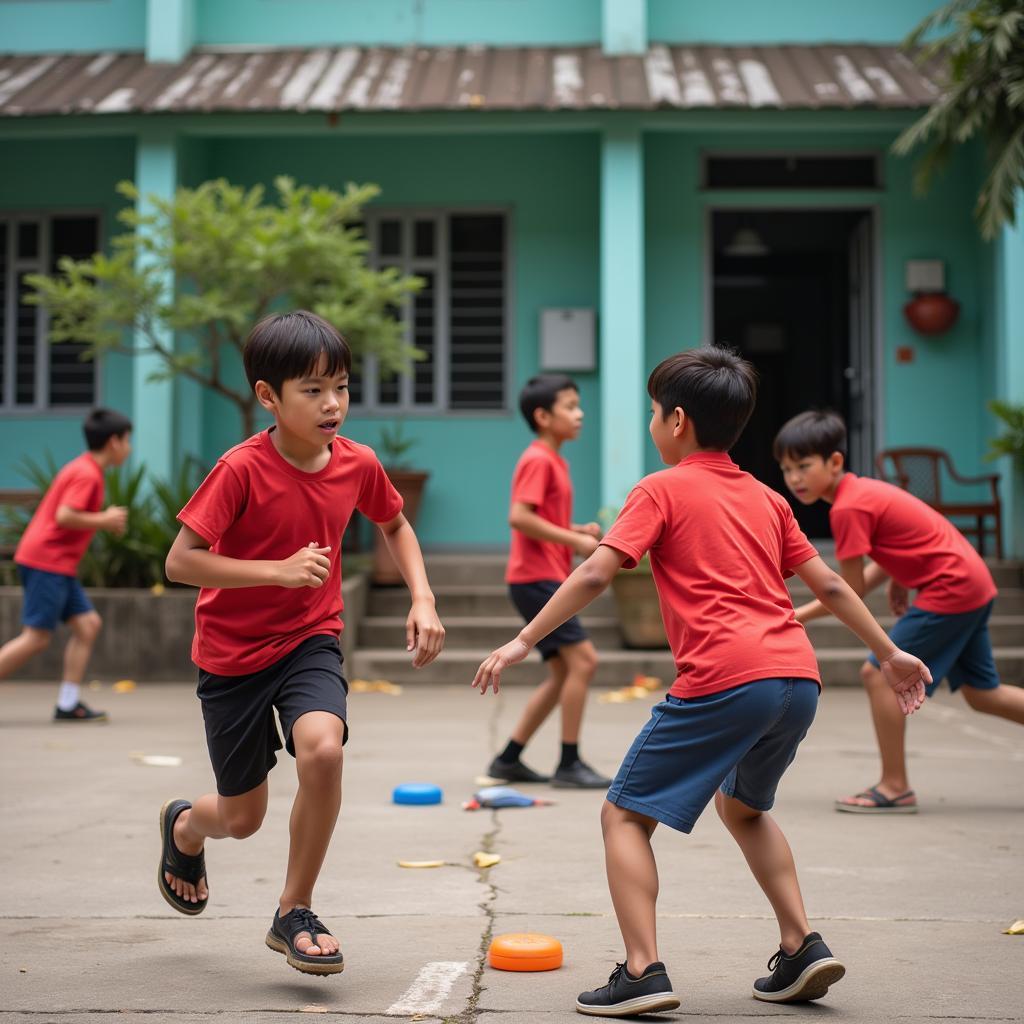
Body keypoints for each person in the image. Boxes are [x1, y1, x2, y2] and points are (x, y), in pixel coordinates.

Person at [472, 348, 931, 1015]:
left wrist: (522, 639)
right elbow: (829, 582)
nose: (652, 423)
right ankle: (801, 944)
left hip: (726, 677)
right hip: (796, 680)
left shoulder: (661, 489)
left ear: (677, 420)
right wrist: (890, 653)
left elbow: (599, 573)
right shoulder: (769, 498)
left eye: (654, 412)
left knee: (624, 814)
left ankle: (641, 970)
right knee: (744, 807)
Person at [157, 311, 444, 976]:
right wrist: (274, 572)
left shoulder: (357, 463)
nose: (332, 404)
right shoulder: (240, 470)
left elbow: (395, 524)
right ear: (269, 397)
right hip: (231, 658)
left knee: (323, 750)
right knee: (242, 818)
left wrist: (422, 597)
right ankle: (184, 827)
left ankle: (295, 910)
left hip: (311, 639)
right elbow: (180, 561)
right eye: (312, 390)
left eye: (340, 386)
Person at [775, 409, 1023, 814]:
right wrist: (900, 573)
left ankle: (895, 786)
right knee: (983, 695)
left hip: (952, 588)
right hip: (972, 581)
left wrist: (795, 615)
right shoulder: (862, 492)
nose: (795, 479)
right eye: (786, 469)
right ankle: (895, 784)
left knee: (877, 671)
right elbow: (905, 541)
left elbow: (847, 590)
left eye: (803, 466)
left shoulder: (847, 508)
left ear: (834, 462)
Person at [486, 373, 609, 789]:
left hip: (543, 575)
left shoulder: (554, 459)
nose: (580, 414)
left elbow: (541, 520)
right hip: (536, 578)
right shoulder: (538, 458)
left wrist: (575, 531)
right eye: (570, 407)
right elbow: (519, 517)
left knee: (563, 673)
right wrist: (574, 538)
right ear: (543, 416)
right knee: (584, 661)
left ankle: (509, 758)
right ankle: (569, 763)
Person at [0, 408, 132, 722]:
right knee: (36, 638)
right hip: (47, 560)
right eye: (128, 441)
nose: (129, 448)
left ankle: (68, 703)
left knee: (88, 625)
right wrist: (104, 519)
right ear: (114, 442)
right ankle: (68, 702)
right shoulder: (87, 474)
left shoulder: (86, 469)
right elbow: (65, 515)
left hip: (56, 564)